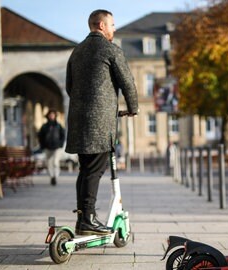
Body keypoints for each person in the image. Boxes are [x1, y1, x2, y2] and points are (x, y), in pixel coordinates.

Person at [65, 9, 138, 236]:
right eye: (112, 25)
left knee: (85, 169)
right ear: (101, 25)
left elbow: (69, 86)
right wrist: (133, 108)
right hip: (99, 122)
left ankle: (82, 218)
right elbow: (128, 83)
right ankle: (88, 219)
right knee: (95, 170)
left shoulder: (76, 52)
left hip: (79, 120)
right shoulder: (110, 50)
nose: (114, 29)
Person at [38, 109, 65, 186]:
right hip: (47, 147)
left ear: (55, 116)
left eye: (53, 115)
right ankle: (52, 176)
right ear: (48, 116)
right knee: (48, 163)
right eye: (50, 115)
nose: (51, 116)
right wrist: (42, 145)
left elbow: (63, 136)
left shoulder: (58, 126)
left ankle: (55, 176)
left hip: (57, 147)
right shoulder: (44, 126)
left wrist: (61, 144)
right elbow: (40, 137)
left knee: (55, 162)